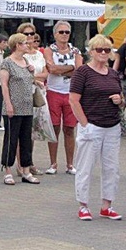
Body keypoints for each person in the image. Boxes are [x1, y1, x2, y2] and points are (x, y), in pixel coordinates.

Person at [69, 34, 124, 221]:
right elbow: (73, 100)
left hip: (112, 125)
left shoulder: (113, 74)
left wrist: (119, 100)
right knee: (85, 167)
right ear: (91, 52)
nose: (103, 53)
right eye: (99, 49)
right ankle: (83, 205)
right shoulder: (83, 72)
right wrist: (85, 124)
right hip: (92, 124)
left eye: (107, 50)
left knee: (112, 167)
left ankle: (107, 205)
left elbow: (121, 97)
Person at [43, 20, 83, 174]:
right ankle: (53, 163)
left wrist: (63, 69)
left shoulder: (75, 51)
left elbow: (79, 71)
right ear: (55, 34)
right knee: (54, 128)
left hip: (71, 93)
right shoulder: (49, 50)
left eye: (67, 32)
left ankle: (70, 164)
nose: (64, 35)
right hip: (54, 91)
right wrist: (71, 68)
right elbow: (51, 69)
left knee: (69, 128)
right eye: (61, 32)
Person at [0, 33, 39, 185]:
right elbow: (4, 84)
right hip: (14, 106)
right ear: (17, 45)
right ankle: (7, 169)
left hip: (27, 106)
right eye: (25, 43)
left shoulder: (26, 61)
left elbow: (29, 81)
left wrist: (32, 72)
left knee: (26, 139)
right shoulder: (7, 63)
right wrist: (8, 104)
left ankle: (26, 170)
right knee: (11, 139)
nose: (28, 45)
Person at [17, 22, 48, 176]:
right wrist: (33, 77)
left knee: (32, 131)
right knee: (21, 131)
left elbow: (45, 73)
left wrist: (32, 77)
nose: (29, 37)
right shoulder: (18, 55)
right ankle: (20, 164)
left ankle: (29, 161)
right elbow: (18, 75)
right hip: (22, 94)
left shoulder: (39, 54)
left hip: (37, 93)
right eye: (26, 34)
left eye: (31, 34)